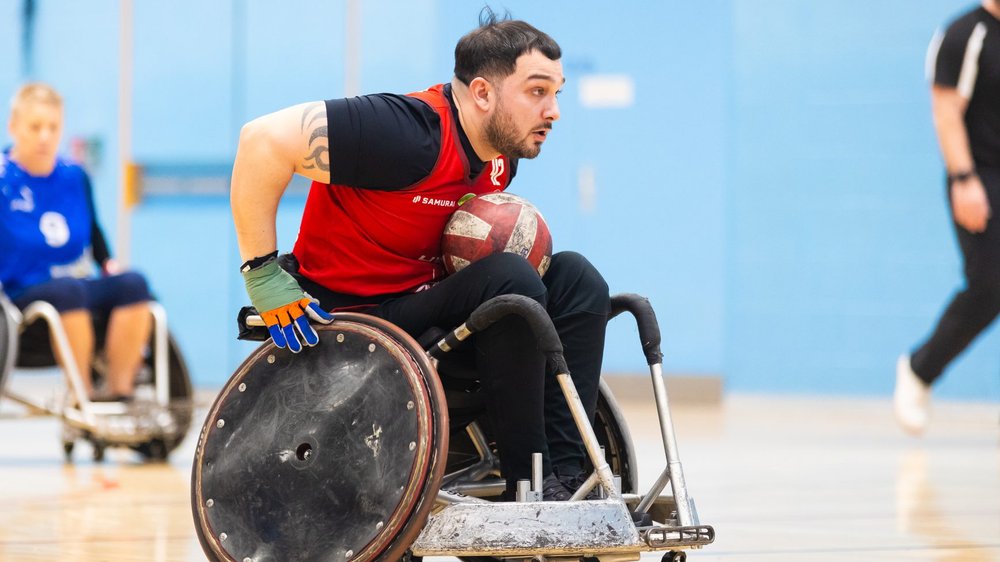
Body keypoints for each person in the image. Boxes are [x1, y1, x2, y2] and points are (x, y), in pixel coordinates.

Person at [232, 11, 610, 500]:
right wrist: (262, 273)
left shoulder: (501, 156)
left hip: (425, 309)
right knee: (510, 280)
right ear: (482, 93)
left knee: (578, 278)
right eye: (538, 91)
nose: (554, 109)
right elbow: (260, 141)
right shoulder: (408, 131)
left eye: (557, 93)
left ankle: (566, 474)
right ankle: (528, 487)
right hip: (354, 319)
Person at [0, 83, 153, 402]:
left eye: (52, 127)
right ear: (13, 127)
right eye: (35, 127)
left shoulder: (74, 175)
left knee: (134, 284)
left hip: (75, 284)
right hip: (19, 294)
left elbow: (94, 231)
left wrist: (108, 264)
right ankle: (82, 395)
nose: (45, 136)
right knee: (68, 289)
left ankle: (119, 393)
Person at [896, 0, 1000, 435]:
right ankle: (921, 369)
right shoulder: (965, 34)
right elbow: (946, 110)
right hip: (982, 177)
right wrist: (963, 178)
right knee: (991, 284)